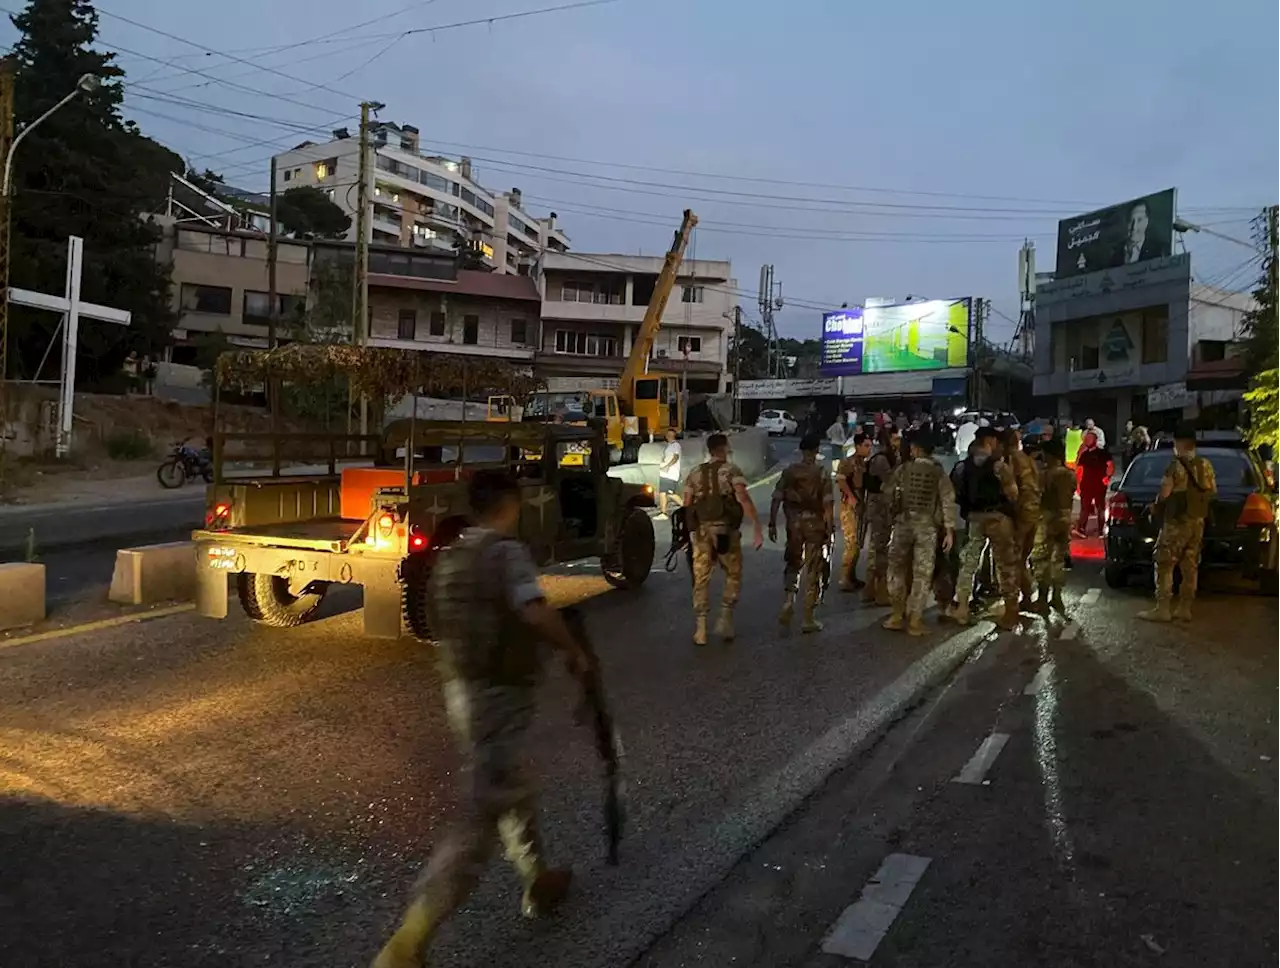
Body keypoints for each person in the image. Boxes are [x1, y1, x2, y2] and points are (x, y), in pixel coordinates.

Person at [372, 471, 591, 968]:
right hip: (499, 696)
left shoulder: (454, 555)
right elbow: (533, 610)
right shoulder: (504, 551)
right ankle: (409, 941)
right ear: (510, 503)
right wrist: (574, 651)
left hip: (464, 691)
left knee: (512, 785)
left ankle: (538, 876)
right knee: (481, 814)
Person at [684, 432, 764, 645]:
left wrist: (689, 531)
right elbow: (743, 498)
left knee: (701, 577)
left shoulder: (694, 473)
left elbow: (687, 504)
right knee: (733, 572)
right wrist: (756, 526)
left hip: (701, 532)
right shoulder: (731, 471)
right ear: (723, 448)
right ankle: (725, 618)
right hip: (725, 531)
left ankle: (700, 629)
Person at [1139, 425, 1217, 623]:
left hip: (1176, 522)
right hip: (1197, 522)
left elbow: (1165, 492)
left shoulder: (1175, 466)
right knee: (1190, 565)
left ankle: (1163, 608)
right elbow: (1212, 491)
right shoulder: (1205, 465)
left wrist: (1156, 506)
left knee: (1164, 563)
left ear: (1179, 443)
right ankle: (1184, 608)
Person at [882, 430, 956, 635]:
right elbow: (947, 499)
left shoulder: (903, 469)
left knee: (896, 569)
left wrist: (892, 517)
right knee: (922, 574)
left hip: (903, 524)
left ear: (916, 449)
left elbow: (888, 495)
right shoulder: (938, 471)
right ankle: (915, 620)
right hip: (926, 528)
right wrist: (949, 530)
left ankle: (897, 615)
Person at [949, 426, 1021, 629]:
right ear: (989, 441)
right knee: (1005, 565)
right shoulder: (999, 466)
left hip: (974, 518)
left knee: (969, 562)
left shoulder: (962, 467)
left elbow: (955, 492)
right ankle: (1010, 612)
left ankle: (962, 608)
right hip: (997, 519)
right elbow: (1013, 494)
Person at [769, 434, 835, 632]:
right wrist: (829, 527)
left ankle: (789, 600)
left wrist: (772, 523)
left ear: (800, 450)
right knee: (814, 568)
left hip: (794, 524)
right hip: (815, 525)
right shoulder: (821, 473)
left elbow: (776, 498)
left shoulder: (790, 472)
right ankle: (808, 617)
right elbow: (828, 504)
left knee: (793, 563)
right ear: (816, 451)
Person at [1030, 438, 1076, 614]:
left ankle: (1042, 600)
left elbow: (1038, 497)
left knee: (1041, 559)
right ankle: (1057, 597)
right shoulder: (1070, 475)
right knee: (1058, 559)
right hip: (1065, 519)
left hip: (1047, 519)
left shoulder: (1045, 475)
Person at [1000, 427, 1041, 606]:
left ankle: (1017, 599)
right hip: (1034, 512)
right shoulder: (1028, 459)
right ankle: (1027, 594)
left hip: (1021, 513)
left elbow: (1011, 489)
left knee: (1014, 557)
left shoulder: (1010, 460)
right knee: (1023, 556)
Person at [863, 426, 902, 605]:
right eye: (895, 439)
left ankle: (871, 589)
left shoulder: (887, 457)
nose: (898, 443)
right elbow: (890, 483)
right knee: (880, 549)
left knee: (876, 548)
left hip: (881, 506)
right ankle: (879, 591)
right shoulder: (882, 459)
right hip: (880, 507)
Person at [836, 432, 872, 591]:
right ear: (857, 446)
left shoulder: (863, 463)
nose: (869, 449)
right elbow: (841, 480)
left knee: (858, 544)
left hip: (861, 507)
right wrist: (851, 497)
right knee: (852, 543)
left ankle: (851, 575)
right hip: (850, 508)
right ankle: (844, 578)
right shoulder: (848, 462)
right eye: (866, 445)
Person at [1074, 432, 1113, 537]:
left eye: (1089, 439)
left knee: (1100, 507)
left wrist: (1107, 478)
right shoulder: (1084, 455)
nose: (1086, 441)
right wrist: (1078, 484)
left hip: (1099, 485)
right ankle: (1081, 529)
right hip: (1086, 485)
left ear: (1095, 440)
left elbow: (1110, 466)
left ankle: (1101, 530)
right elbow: (1079, 470)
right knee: (1085, 508)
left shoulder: (1103, 453)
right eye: (1086, 439)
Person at [657, 428, 682, 518]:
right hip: (665, 473)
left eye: (669, 434)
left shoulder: (675, 445)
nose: (667, 436)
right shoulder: (669, 446)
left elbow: (675, 457)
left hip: (670, 473)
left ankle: (686, 507)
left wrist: (667, 466)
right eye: (667, 434)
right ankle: (663, 513)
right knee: (663, 492)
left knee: (670, 493)